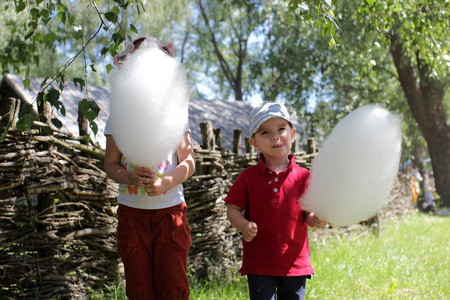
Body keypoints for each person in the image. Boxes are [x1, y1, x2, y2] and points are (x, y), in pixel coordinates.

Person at [104, 36, 195, 300]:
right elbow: (110, 165)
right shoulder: (118, 116)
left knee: (173, 288)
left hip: (170, 216)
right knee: (139, 289)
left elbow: (189, 162)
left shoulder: (177, 113)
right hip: (132, 217)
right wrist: (129, 176)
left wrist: (165, 183)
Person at [225, 102, 327, 300]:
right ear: (254, 143)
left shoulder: (304, 177)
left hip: (295, 264)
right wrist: (244, 225)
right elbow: (233, 209)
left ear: (293, 133)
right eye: (265, 132)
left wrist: (318, 220)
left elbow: (309, 215)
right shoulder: (248, 177)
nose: (275, 136)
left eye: (282, 128)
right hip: (259, 264)